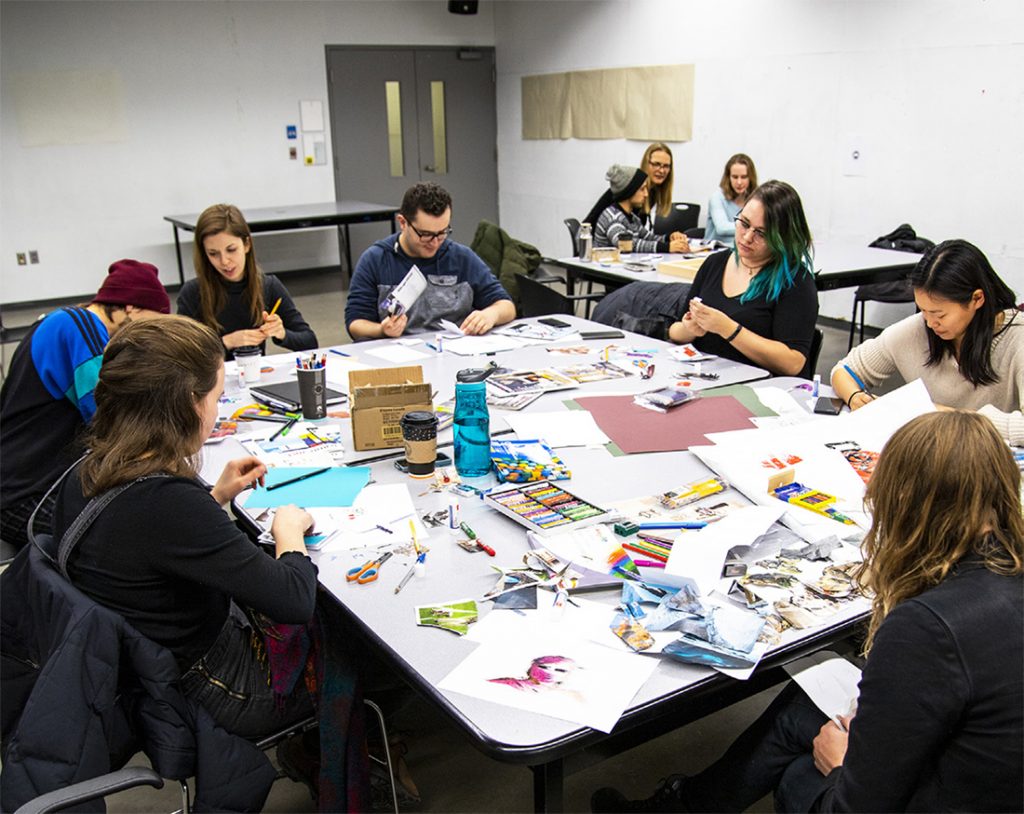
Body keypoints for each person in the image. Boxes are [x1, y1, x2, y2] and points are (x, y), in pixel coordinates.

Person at [592, 411, 1024, 813]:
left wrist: (839, 765)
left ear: (907, 503)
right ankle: (687, 805)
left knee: (802, 774)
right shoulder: (1005, 568)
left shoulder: (926, 626)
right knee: (805, 706)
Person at [50, 316, 367, 809]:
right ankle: (330, 751)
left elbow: (148, 551)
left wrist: (216, 497)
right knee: (358, 635)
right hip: (222, 688)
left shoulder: (88, 469)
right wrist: (287, 533)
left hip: (147, 674)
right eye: (216, 397)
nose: (218, 412)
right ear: (184, 406)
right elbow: (293, 600)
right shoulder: (169, 503)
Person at [0, 259, 170, 549]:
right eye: (152, 322)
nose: (151, 333)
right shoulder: (80, 326)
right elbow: (109, 417)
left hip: (25, 485)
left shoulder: (61, 321)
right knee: (131, 539)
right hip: (23, 496)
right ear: (131, 308)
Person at [833, 239, 1023, 445]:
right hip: (932, 454)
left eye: (939, 314)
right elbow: (844, 370)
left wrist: (944, 414)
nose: (931, 323)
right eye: (923, 310)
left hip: (990, 463)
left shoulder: (1017, 338)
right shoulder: (920, 328)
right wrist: (855, 398)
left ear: (977, 299)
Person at [668, 180, 818, 376]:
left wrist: (728, 328)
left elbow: (793, 363)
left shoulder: (796, 282)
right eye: (744, 223)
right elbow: (675, 331)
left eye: (761, 233)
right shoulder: (715, 263)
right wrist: (690, 330)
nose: (747, 237)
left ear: (782, 237)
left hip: (763, 392)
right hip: (705, 380)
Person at [345, 182, 515, 340]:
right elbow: (355, 323)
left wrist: (491, 314)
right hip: (400, 358)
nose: (435, 242)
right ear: (403, 223)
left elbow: (506, 306)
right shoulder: (376, 260)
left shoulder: (461, 258)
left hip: (452, 354)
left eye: (442, 232)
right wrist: (382, 330)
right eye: (425, 234)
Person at [177, 203, 318, 359]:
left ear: (246, 244)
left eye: (231, 250)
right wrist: (226, 342)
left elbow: (310, 342)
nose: (224, 261)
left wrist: (282, 333)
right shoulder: (192, 293)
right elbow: (182, 357)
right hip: (212, 381)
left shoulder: (268, 286)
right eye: (213, 254)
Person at [585, 165, 689, 254]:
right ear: (630, 191)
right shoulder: (612, 217)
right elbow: (627, 244)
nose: (646, 194)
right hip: (603, 274)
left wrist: (669, 238)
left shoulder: (633, 218)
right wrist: (667, 247)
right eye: (642, 189)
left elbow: (648, 237)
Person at [705, 153, 758, 247]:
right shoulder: (717, 198)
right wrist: (752, 228)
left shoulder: (755, 200)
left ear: (751, 178)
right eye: (735, 177)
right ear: (728, 177)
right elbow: (722, 228)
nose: (739, 182)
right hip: (715, 252)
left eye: (744, 177)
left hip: (743, 251)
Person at [640, 142, 676, 233]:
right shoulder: (634, 190)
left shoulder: (654, 191)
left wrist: (668, 238)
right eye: (656, 164)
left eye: (666, 166)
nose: (661, 170)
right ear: (646, 164)